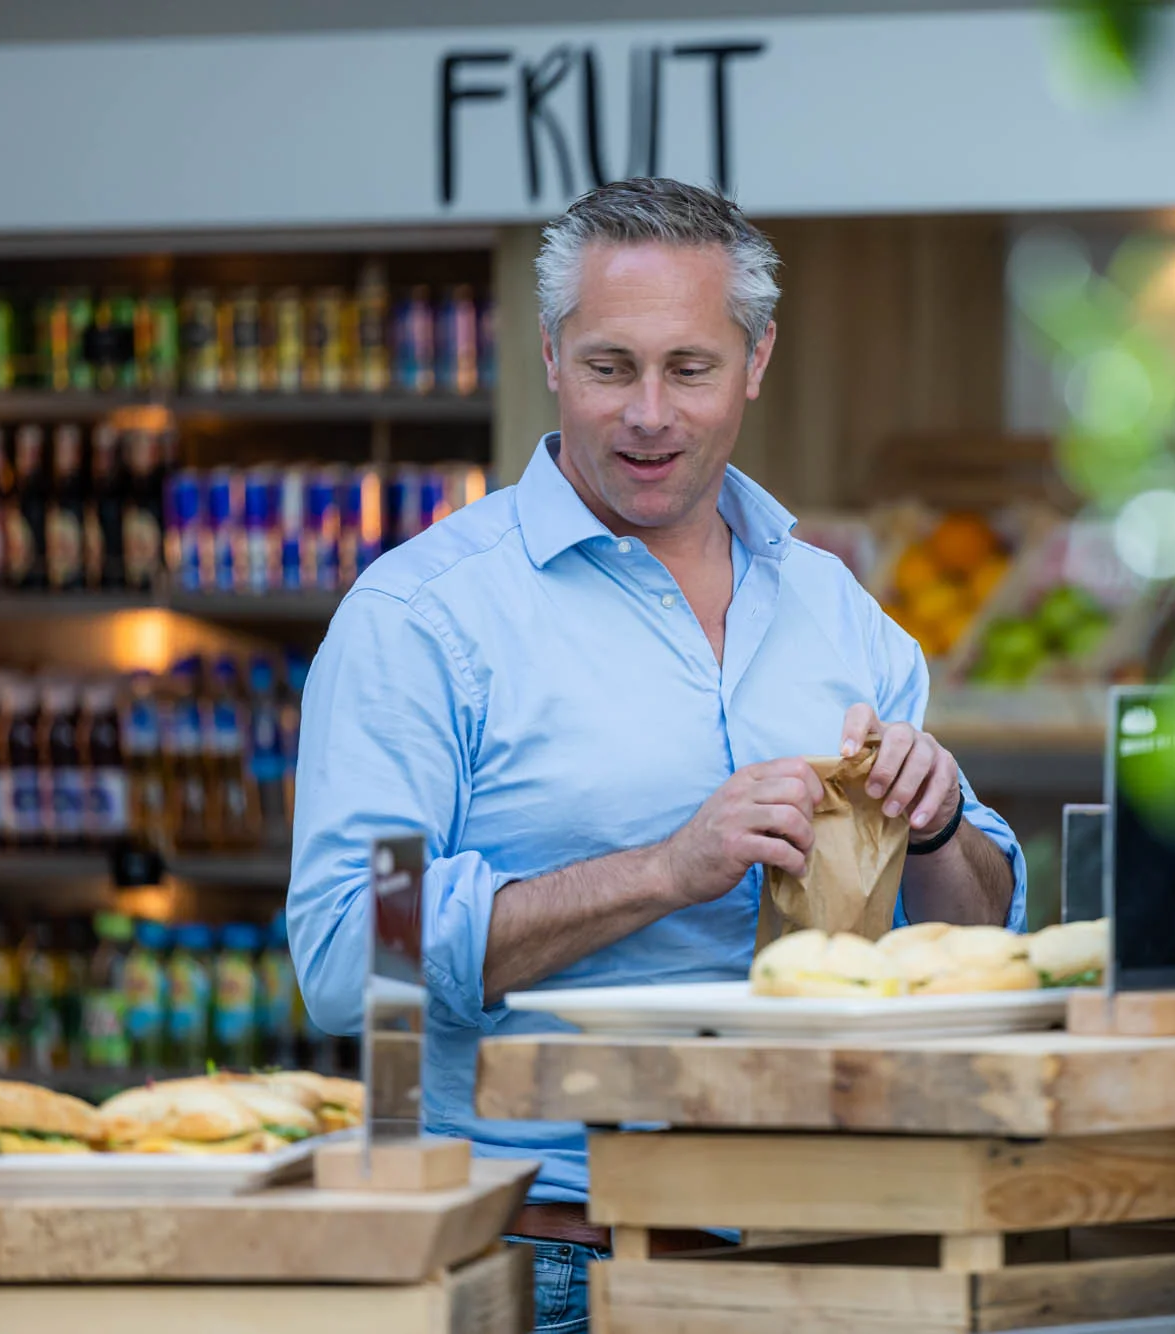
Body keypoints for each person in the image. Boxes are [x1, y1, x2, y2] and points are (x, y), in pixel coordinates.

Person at [286, 177, 1025, 1334]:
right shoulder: (421, 619)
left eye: (688, 368)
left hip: (833, 1247)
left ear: (755, 361)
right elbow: (347, 954)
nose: (647, 413)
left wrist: (934, 829)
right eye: (609, 366)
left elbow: (972, 944)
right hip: (549, 1269)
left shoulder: (837, 609)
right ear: (549, 354)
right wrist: (664, 870)